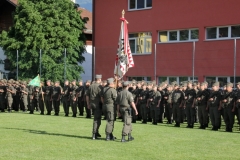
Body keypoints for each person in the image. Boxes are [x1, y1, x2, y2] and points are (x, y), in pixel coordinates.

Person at [86, 75, 103, 140]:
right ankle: (94, 133)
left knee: (98, 119)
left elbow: (87, 96)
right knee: (97, 119)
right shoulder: (99, 87)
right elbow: (101, 97)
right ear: (99, 79)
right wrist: (103, 103)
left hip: (92, 103)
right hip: (97, 104)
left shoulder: (90, 86)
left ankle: (97, 132)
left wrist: (88, 104)